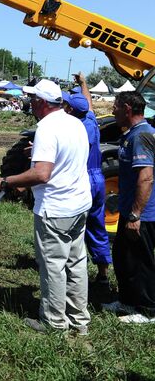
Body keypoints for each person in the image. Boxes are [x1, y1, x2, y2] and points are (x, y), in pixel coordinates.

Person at [0, 79, 91, 334]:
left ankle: (54, 323)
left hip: (56, 209)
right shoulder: (75, 123)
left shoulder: (45, 128)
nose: (30, 104)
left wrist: (4, 182)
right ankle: (79, 321)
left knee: (53, 267)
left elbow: (42, 174)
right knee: (76, 264)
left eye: (33, 100)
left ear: (42, 103)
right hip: (79, 205)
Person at [104, 91, 155, 319]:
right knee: (123, 257)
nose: (112, 110)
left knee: (141, 261)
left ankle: (147, 310)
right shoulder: (132, 134)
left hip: (142, 214)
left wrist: (135, 215)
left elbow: (146, 178)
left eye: (115, 106)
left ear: (127, 108)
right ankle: (127, 301)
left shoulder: (142, 136)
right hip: (128, 210)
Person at [61, 86, 111, 287]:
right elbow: (89, 103)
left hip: (84, 178)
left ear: (71, 110)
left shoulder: (77, 128)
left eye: (65, 105)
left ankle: (70, 271)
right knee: (98, 225)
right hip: (98, 178)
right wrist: (83, 83)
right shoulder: (91, 119)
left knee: (71, 225)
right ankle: (103, 274)